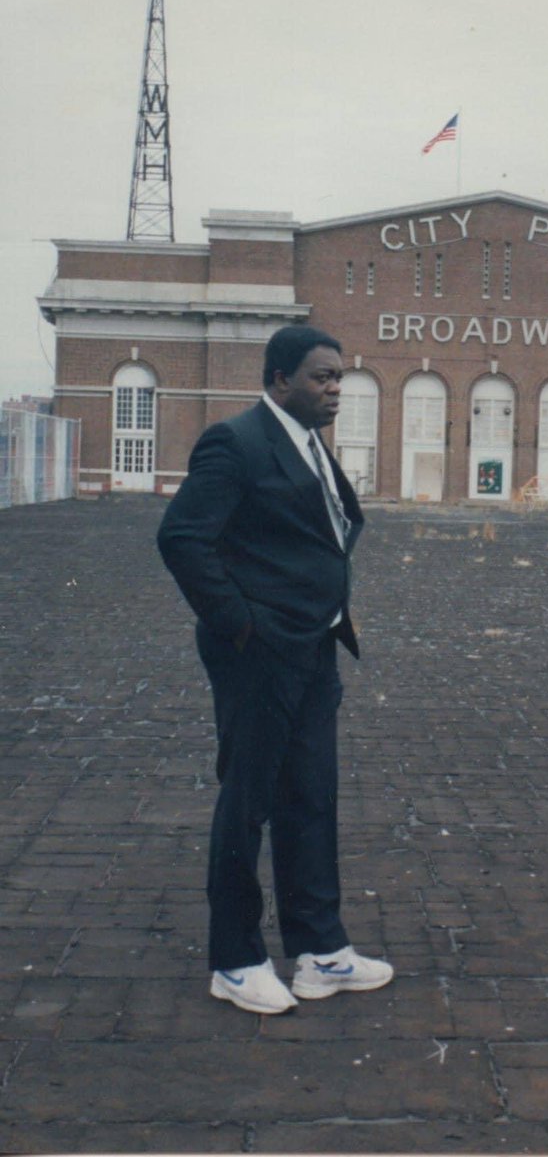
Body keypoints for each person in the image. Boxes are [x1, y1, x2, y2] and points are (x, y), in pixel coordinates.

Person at [157, 324, 393, 1015]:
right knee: (248, 803)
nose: (334, 390)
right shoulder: (237, 442)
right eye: (322, 377)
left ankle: (320, 953)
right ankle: (235, 961)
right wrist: (240, 625)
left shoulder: (310, 445)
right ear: (279, 379)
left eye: (339, 378)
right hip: (259, 655)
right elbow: (181, 538)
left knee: (311, 798)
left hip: (314, 648)